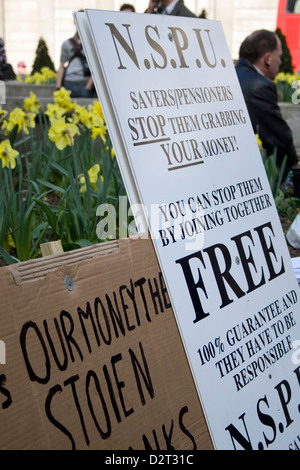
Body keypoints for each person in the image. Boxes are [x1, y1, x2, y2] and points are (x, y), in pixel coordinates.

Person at [235, 29, 299, 180]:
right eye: (280, 56)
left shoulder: (229, 74)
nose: (281, 62)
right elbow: (279, 136)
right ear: (268, 58)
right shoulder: (261, 85)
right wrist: (294, 165)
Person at [56, 26, 93, 98]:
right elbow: (61, 66)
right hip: (68, 83)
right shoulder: (67, 43)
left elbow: (96, 67)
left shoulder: (91, 44)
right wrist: (58, 87)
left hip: (84, 85)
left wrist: (88, 86)